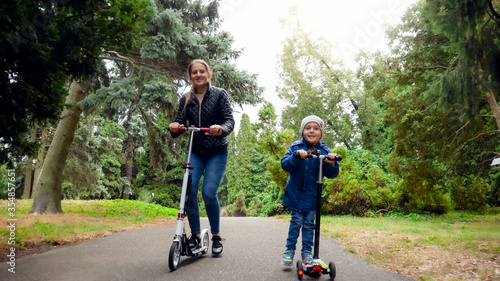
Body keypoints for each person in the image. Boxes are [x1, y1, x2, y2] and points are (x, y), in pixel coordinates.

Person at [168, 59, 234, 257]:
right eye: (194, 72)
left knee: (208, 192)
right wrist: (174, 126)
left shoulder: (220, 94)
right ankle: (195, 236)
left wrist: (220, 129)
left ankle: (215, 236)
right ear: (190, 76)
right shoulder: (186, 98)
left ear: (208, 74)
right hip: (195, 151)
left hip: (217, 151)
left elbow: (229, 120)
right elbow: (179, 123)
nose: (198, 75)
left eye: (201, 71)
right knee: (189, 192)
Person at [280, 115, 340, 266]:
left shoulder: (324, 150)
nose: (311, 131)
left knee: (309, 224)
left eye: (315, 128)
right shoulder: (295, 147)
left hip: (313, 197)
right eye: (307, 128)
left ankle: (307, 252)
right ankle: (289, 250)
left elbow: (331, 174)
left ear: (321, 133)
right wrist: (296, 156)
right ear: (302, 132)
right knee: (296, 222)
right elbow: (285, 165)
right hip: (296, 195)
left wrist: (332, 162)